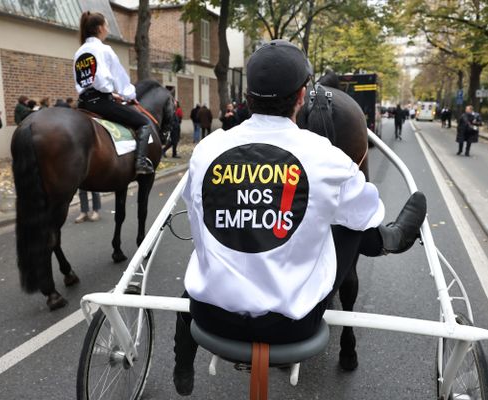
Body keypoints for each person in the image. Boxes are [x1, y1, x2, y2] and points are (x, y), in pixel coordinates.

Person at [171, 39, 427, 396]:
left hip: (209, 314)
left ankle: (182, 359)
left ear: (247, 97)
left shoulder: (206, 150)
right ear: (302, 96)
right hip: (290, 326)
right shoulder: (326, 156)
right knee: (353, 222)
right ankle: (390, 240)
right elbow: (368, 212)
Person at [74, 11, 153, 176]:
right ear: (99, 28)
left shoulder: (79, 52)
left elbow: (88, 82)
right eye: (107, 26)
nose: (108, 30)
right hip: (101, 103)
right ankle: (140, 163)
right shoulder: (104, 50)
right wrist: (130, 96)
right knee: (144, 122)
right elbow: (120, 79)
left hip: (83, 102)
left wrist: (112, 94)